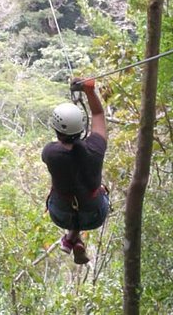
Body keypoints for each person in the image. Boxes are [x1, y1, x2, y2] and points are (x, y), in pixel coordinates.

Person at [42, 78, 109, 264]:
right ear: (81, 127)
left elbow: (65, 150)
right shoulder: (96, 148)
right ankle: (72, 238)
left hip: (61, 213)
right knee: (99, 190)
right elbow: (98, 113)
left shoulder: (50, 153)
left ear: (56, 130)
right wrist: (89, 91)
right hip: (94, 214)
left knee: (68, 195)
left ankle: (71, 237)